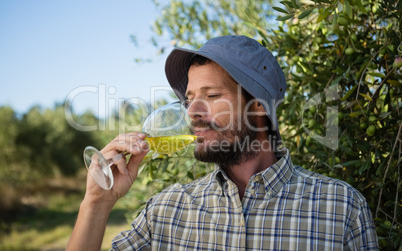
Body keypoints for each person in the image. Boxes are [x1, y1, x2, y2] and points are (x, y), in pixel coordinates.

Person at [67, 35, 379, 250]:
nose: (192, 112)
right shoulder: (166, 209)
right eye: (189, 99)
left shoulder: (341, 208)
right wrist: (96, 204)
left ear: (258, 105)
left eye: (212, 96)